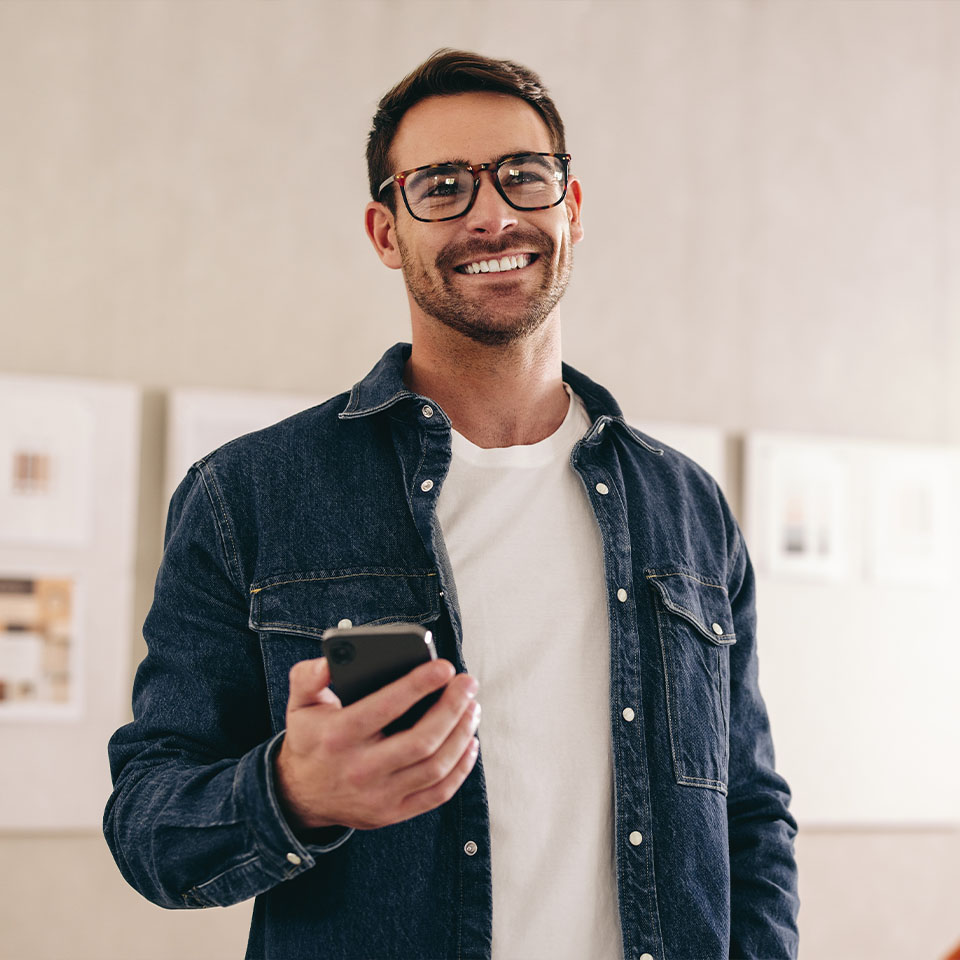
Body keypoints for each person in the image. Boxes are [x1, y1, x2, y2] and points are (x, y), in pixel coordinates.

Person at [104, 49, 799, 960]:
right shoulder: (247, 496)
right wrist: (293, 792)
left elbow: (749, 812)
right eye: (441, 185)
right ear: (386, 232)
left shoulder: (687, 505)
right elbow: (148, 824)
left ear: (572, 207)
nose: (494, 214)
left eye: (524, 176)